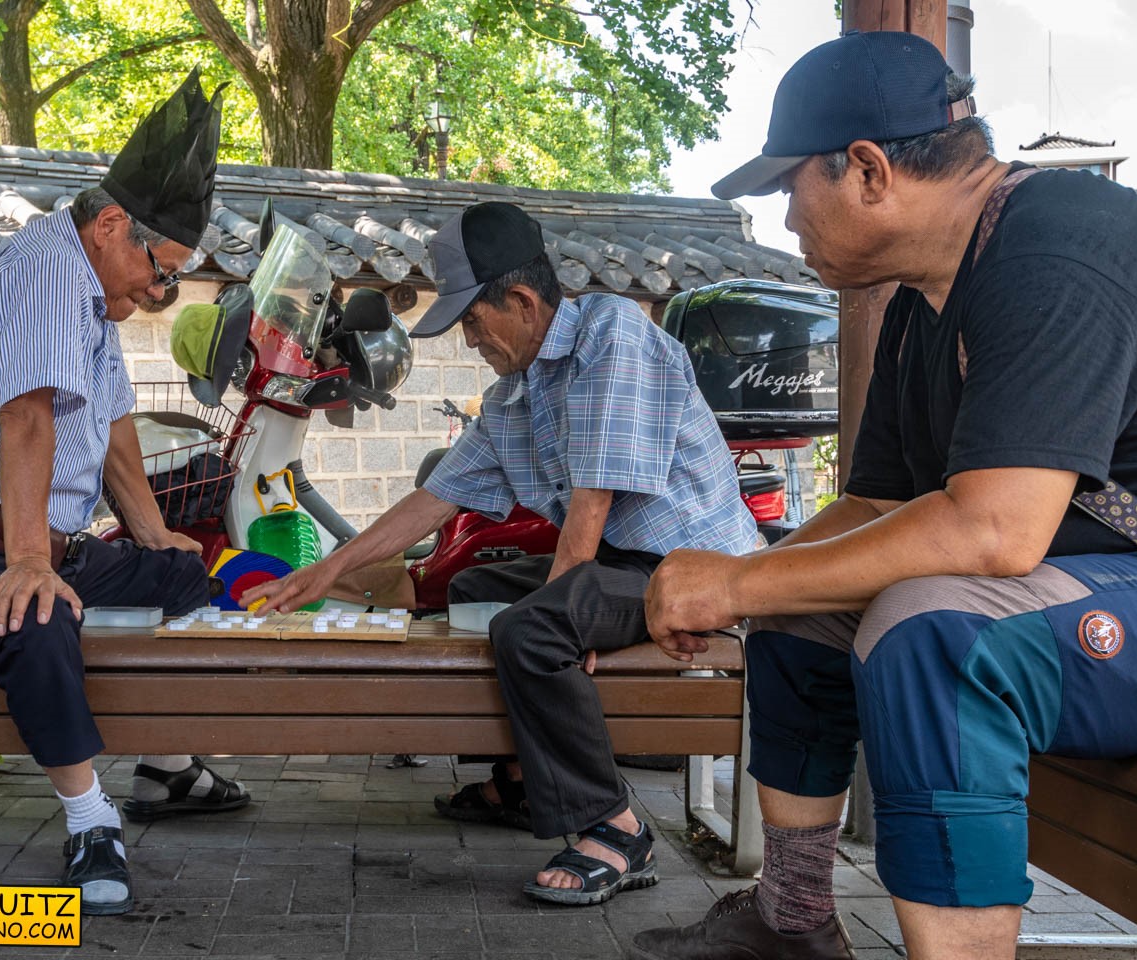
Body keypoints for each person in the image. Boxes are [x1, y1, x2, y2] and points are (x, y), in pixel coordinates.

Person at [631, 31, 1137, 960]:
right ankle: (795, 919)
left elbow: (995, 532)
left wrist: (730, 585)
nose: (787, 224)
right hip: (1094, 586)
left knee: (936, 631)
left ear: (866, 170)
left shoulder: (1061, 240)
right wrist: (751, 578)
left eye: (787, 192)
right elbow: (875, 507)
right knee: (798, 607)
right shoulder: (919, 306)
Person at [243, 200, 758, 906]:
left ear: (519, 300)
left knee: (530, 628)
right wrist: (327, 570)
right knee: (468, 589)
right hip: (622, 561)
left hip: (689, 570)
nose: (468, 342)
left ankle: (615, 829)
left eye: (472, 323)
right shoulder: (515, 393)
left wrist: (563, 615)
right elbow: (434, 500)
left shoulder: (611, 337)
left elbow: (593, 503)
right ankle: (522, 778)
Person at [0, 69, 251, 916]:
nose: (159, 293)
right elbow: (28, 420)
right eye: (160, 271)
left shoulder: (92, 293)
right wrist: (23, 559)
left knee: (185, 574)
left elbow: (116, 436)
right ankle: (90, 819)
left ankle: (162, 758)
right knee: (35, 610)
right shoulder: (50, 267)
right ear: (112, 225)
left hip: (38, 543)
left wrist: (156, 537)